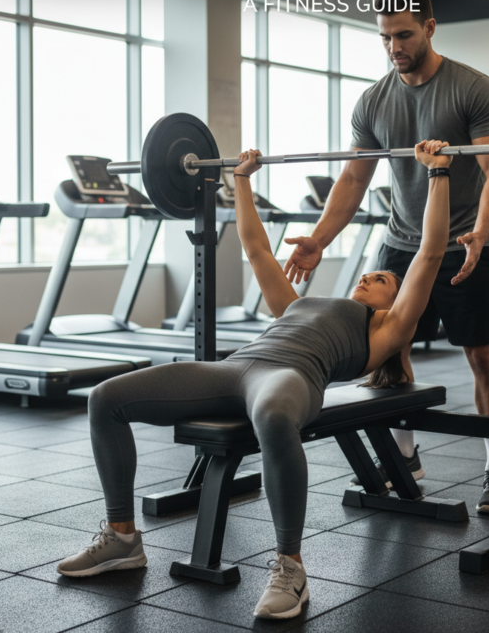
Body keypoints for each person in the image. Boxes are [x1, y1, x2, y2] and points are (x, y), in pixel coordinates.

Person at [56, 139, 453, 620]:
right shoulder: (298, 304)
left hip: (291, 376)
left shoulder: (387, 329)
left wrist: (437, 174)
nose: (369, 277)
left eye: (382, 280)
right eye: (369, 274)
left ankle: (291, 567)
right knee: (106, 397)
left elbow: (429, 254)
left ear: (398, 304)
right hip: (234, 367)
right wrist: (241, 180)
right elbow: (256, 247)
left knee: (272, 413)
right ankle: (122, 538)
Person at [283, 0, 489, 514]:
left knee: (480, 354)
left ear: (430, 28)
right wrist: (319, 237)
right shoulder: (374, 100)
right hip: (400, 244)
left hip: (463, 241)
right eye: (385, 37)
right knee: (388, 349)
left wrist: (482, 227)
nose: (394, 47)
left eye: (404, 35)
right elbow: (353, 181)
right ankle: (405, 456)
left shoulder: (473, 89)